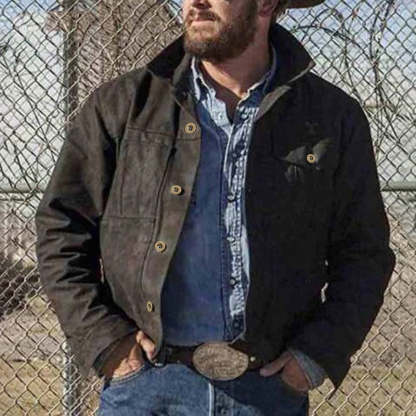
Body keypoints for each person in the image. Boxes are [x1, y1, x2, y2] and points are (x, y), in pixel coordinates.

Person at [35, 0, 396, 414]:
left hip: (268, 391)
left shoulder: (330, 116)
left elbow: (365, 252)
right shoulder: (122, 106)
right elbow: (60, 227)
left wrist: (314, 356)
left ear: (265, 4)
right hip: (145, 388)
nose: (195, 2)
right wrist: (108, 343)